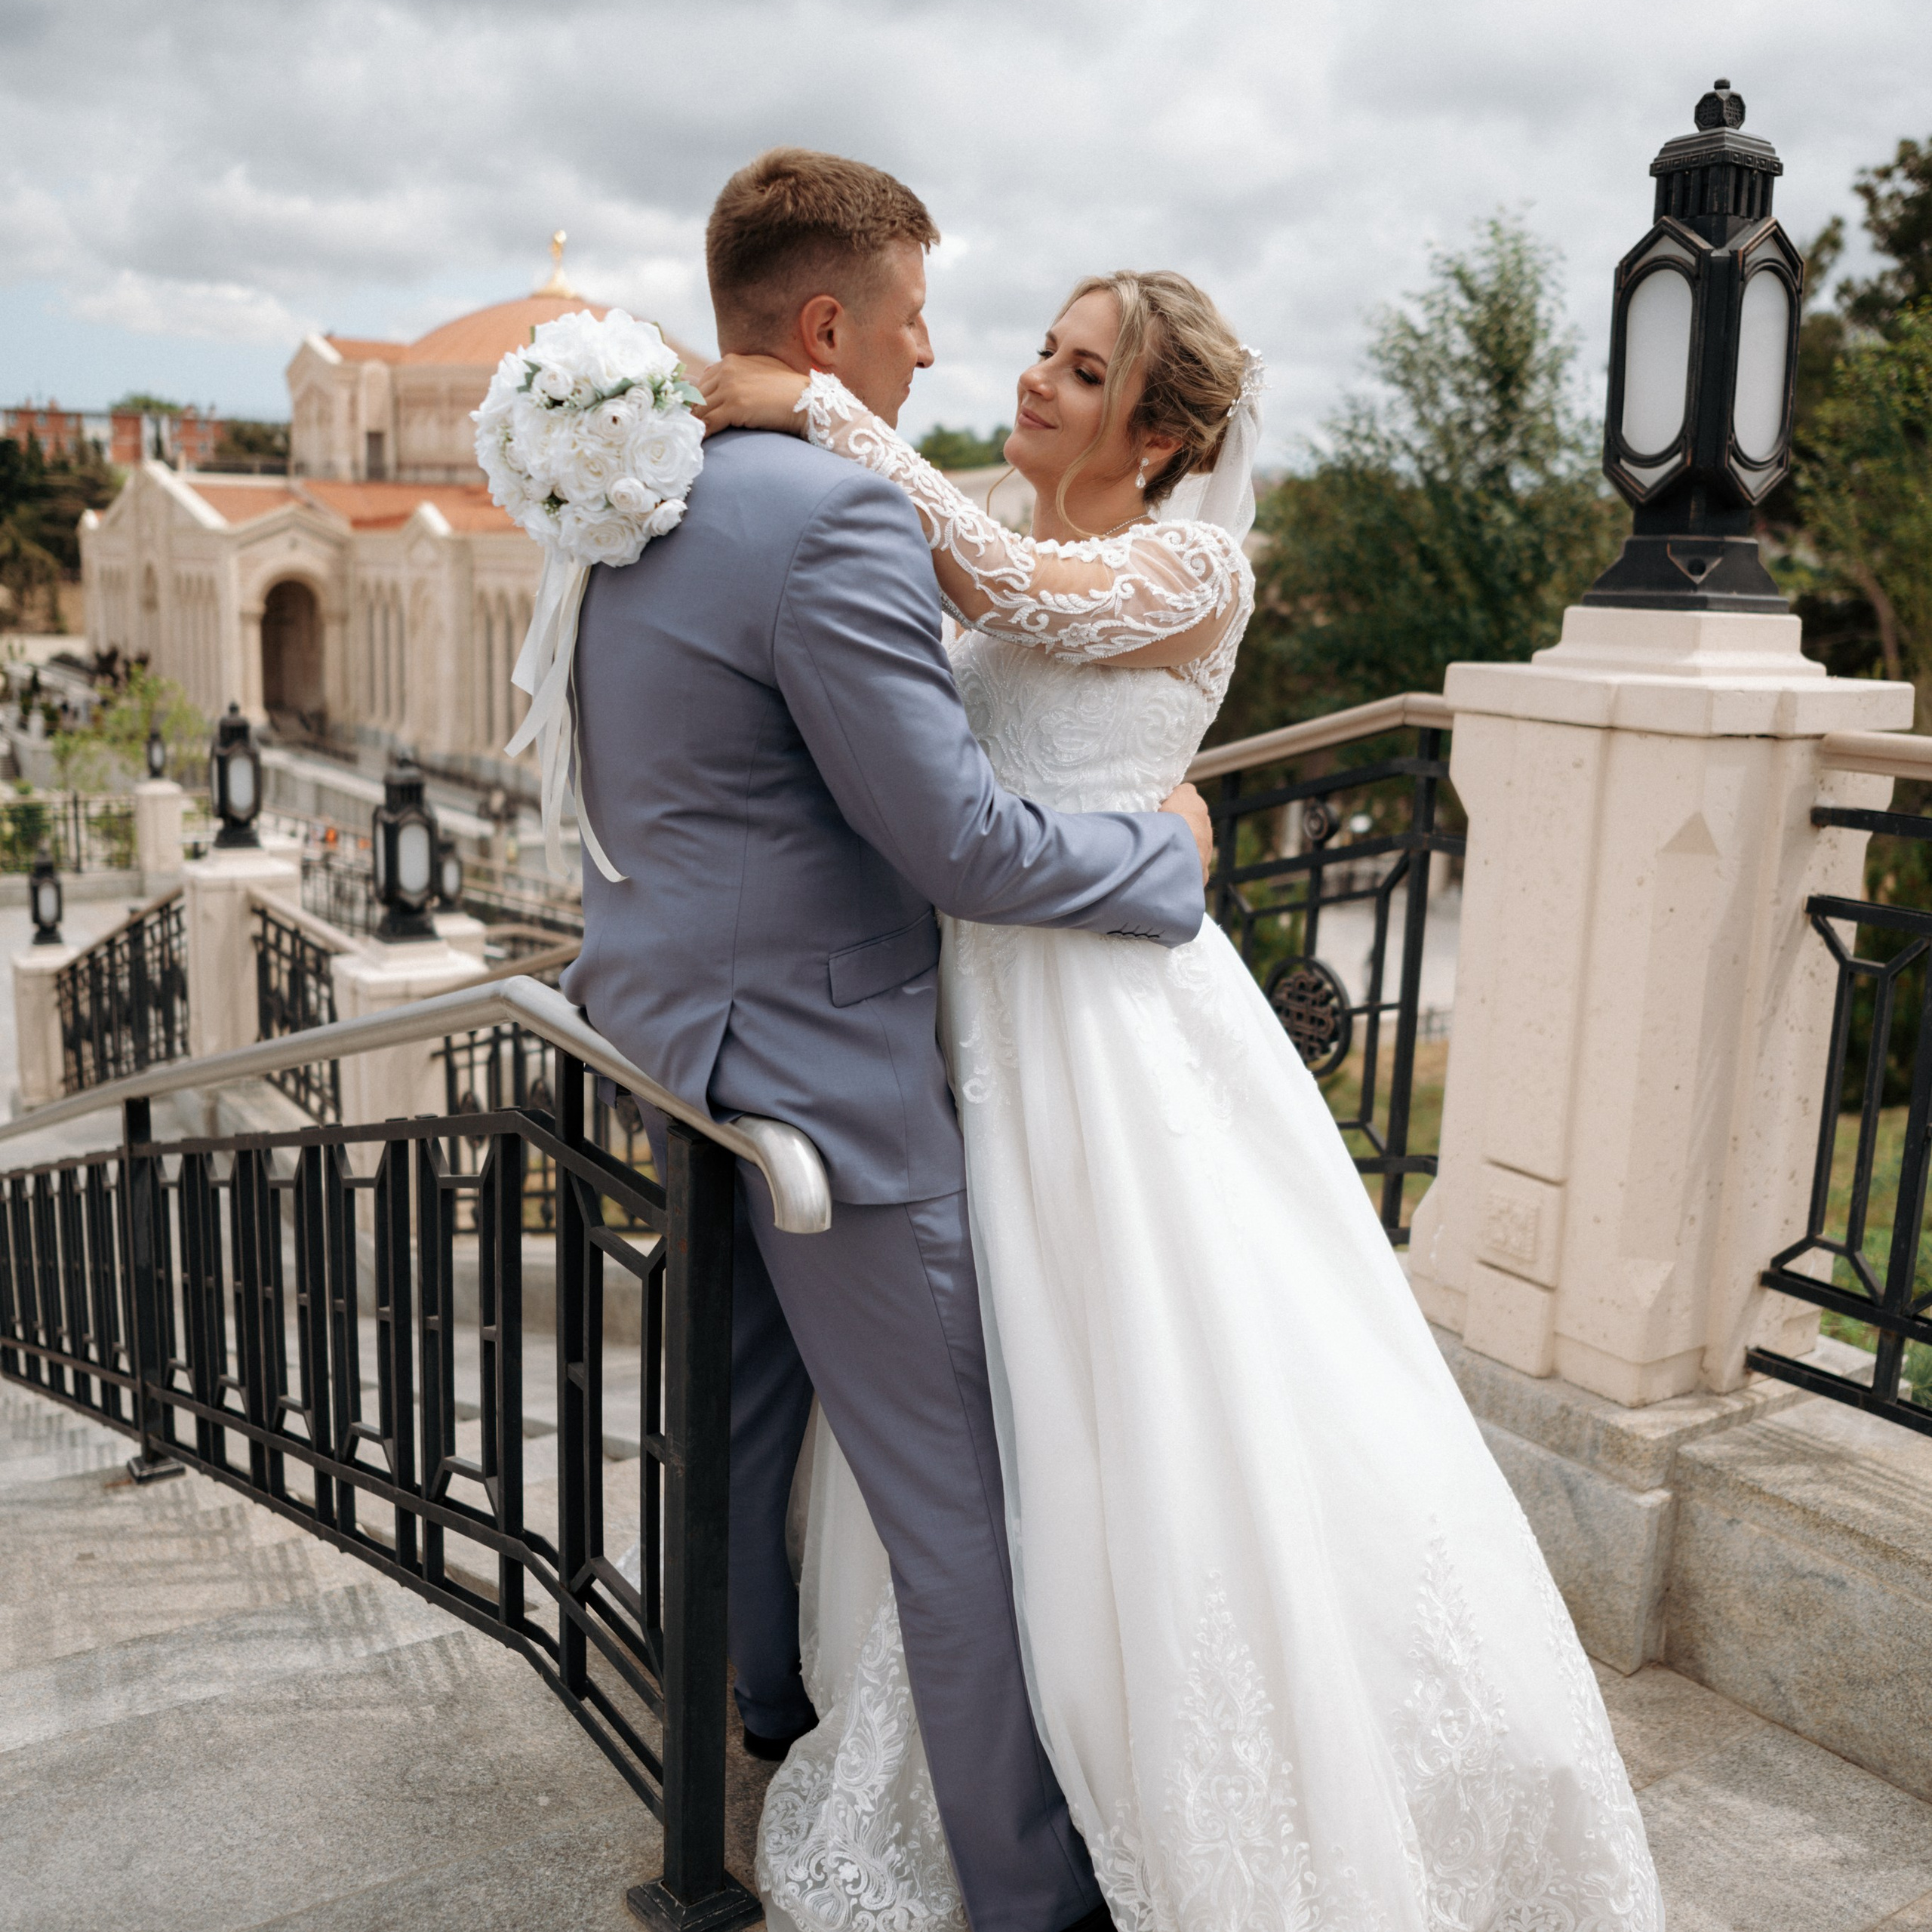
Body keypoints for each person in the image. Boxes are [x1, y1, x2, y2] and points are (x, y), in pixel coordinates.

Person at [699, 268, 1667, 1930]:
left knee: (1153, 1375)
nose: (1036, 380)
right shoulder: (986, 547)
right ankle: (1008, 1763)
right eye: (1044, 351)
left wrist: (822, 405)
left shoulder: (1189, 567)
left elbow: (1011, 581)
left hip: (1112, 1026)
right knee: (987, 1399)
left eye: (1084, 373)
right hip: (969, 1015)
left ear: (1158, 438)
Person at [561, 149, 1215, 1932]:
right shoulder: (834, 517)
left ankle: (764, 1697)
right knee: (955, 1493)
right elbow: (960, 845)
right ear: (827, 325)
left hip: (676, 1027)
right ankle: (1024, 1885)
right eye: (915, 318)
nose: (936, 354)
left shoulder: (646, 489)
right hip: (823, 1065)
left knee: (746, 1412)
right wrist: (1165, 861)